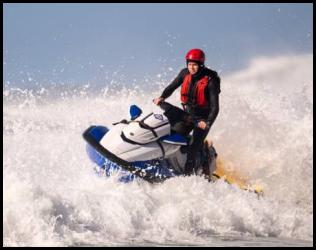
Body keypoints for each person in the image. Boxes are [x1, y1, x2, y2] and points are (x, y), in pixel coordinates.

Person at [153, 48, 221, 175]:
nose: (192, 68)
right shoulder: (185, 74)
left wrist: (207, 123)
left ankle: (188, 175)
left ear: (201, 65)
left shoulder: (211, 80)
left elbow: (215, 107)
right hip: (188, 115)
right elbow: (172, 87)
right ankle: (160, 161)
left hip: (203, 119)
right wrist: (162, 97)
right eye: (189, 64)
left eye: (194, 65)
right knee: (171, 136)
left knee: (193, 149)